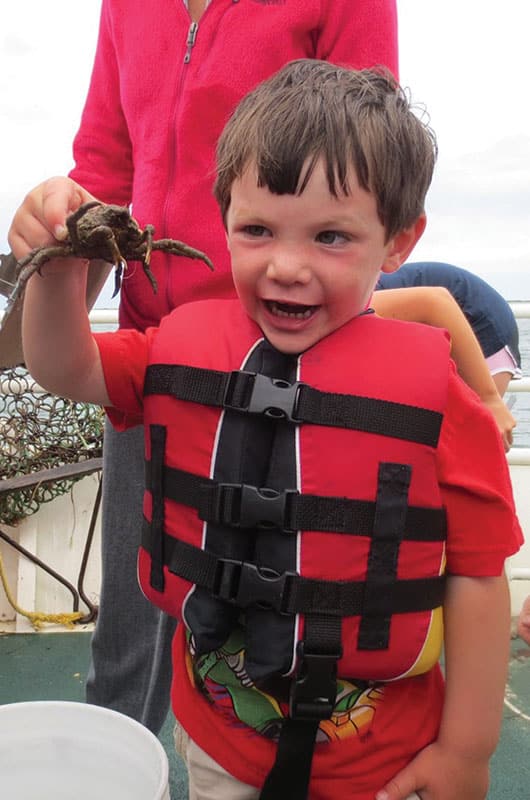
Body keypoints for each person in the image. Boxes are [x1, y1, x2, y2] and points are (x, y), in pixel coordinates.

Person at [12, 60, 522, 800]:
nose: (287, 266)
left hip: (380, 765)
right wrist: (56, 268)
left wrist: (468, 751)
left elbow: (478, 575)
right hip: (220, 748)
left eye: (331, 238)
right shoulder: (175, 350)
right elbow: (66, 368)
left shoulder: (440, 399)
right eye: (256, 229)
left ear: (399, 242)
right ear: (222, 222)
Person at [54, 0, 401, 734]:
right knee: (132, 618)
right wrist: (55, 245)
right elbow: (104, 172)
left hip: (288, 367)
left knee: (286, 627)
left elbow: (371, 153)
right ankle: (123, 768)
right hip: (154, 360)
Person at [374, 262, 522, 397]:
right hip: (467, 310)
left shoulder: (360, 302)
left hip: (484, 325)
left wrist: (489, 399)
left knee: (475, 420)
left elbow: (432, 301)